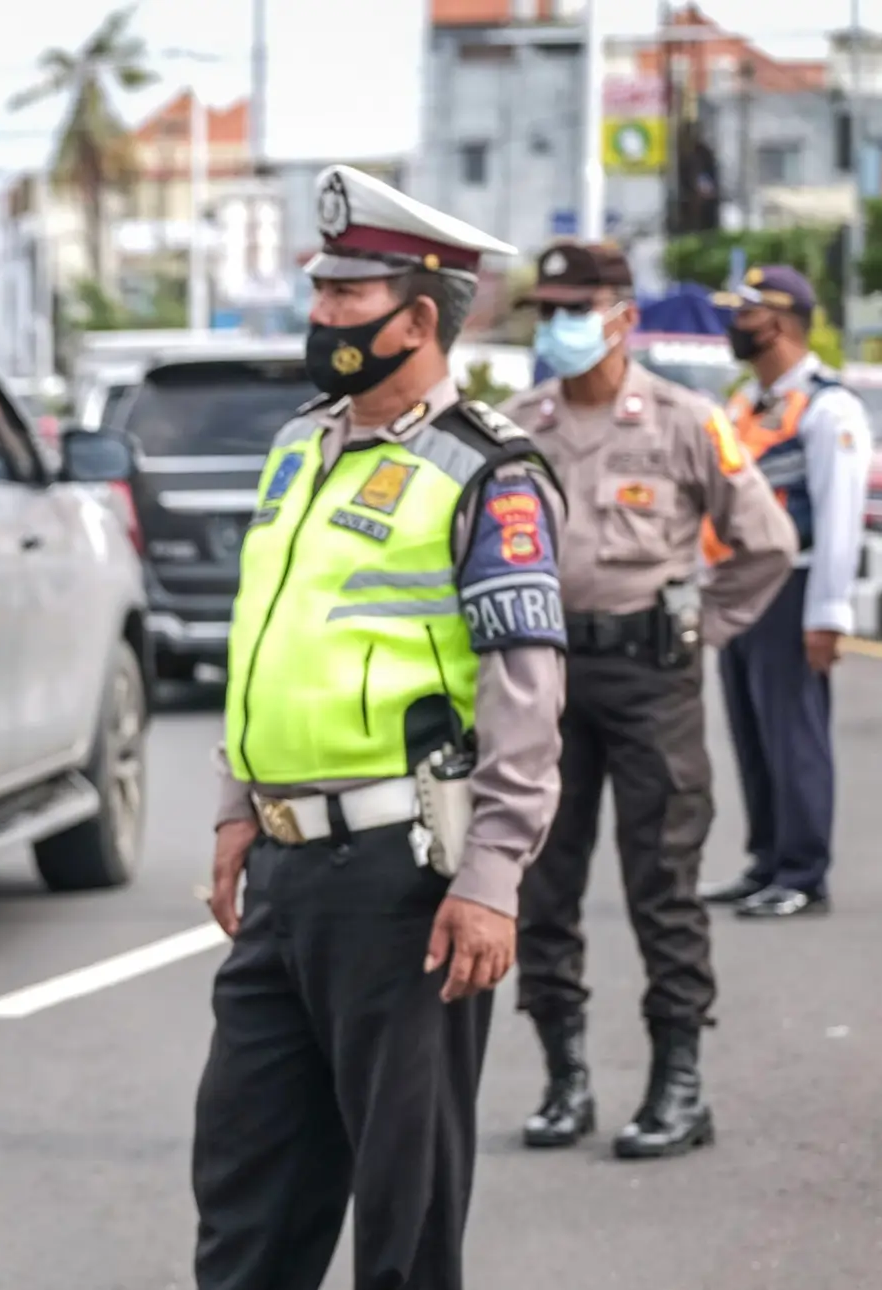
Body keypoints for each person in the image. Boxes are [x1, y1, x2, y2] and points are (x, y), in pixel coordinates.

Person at [194, 165, 567, 1290]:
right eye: (320, 292)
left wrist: (494, 873)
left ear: (417, 317)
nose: (321, 316)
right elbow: (271, 637)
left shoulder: (486, 473)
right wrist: (233, 807)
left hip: (407, 881)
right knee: (247, 1198)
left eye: (346, 299)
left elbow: (526, 686)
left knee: (402, 1218)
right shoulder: (299, 447)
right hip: (288, 872)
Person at [498, 241, 796, 1161]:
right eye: (546, 311)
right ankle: (565, 1077)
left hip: (648, 676)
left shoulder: (682, 421)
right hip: (541, 679)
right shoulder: (515, 427)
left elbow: (767, 543)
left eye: (574, 309)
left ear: (622, 317)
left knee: (661, 882)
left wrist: (701, 624)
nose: (558, 327)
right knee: (541, 877)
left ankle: (679, 1083)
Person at [699, 266, 871, 919]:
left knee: (793, 731)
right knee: (751, 730)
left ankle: (803, 872)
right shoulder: (748, 402)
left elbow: (837, 518)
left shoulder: (829, 407)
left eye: (742, 315)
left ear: (776, 322)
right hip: (742, 587)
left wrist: (828, 614)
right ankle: (766, 859)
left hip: (794, 586)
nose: (731, 328)